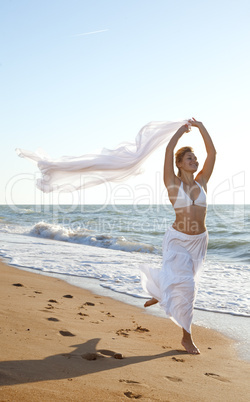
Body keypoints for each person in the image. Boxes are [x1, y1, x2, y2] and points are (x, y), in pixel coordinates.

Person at [140, 117, 216, 354]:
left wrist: (201, 128)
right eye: (190, 158)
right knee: (189, 286)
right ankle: (186, 337)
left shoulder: (202, 181)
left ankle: (163, 293)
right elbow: (168, 150)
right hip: (177, 241)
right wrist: (180, 132)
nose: (195, 160)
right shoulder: (172, 183)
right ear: (180, 164)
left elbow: (213, 153)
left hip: (198, 242)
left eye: (195, 158)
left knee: (185, 284)